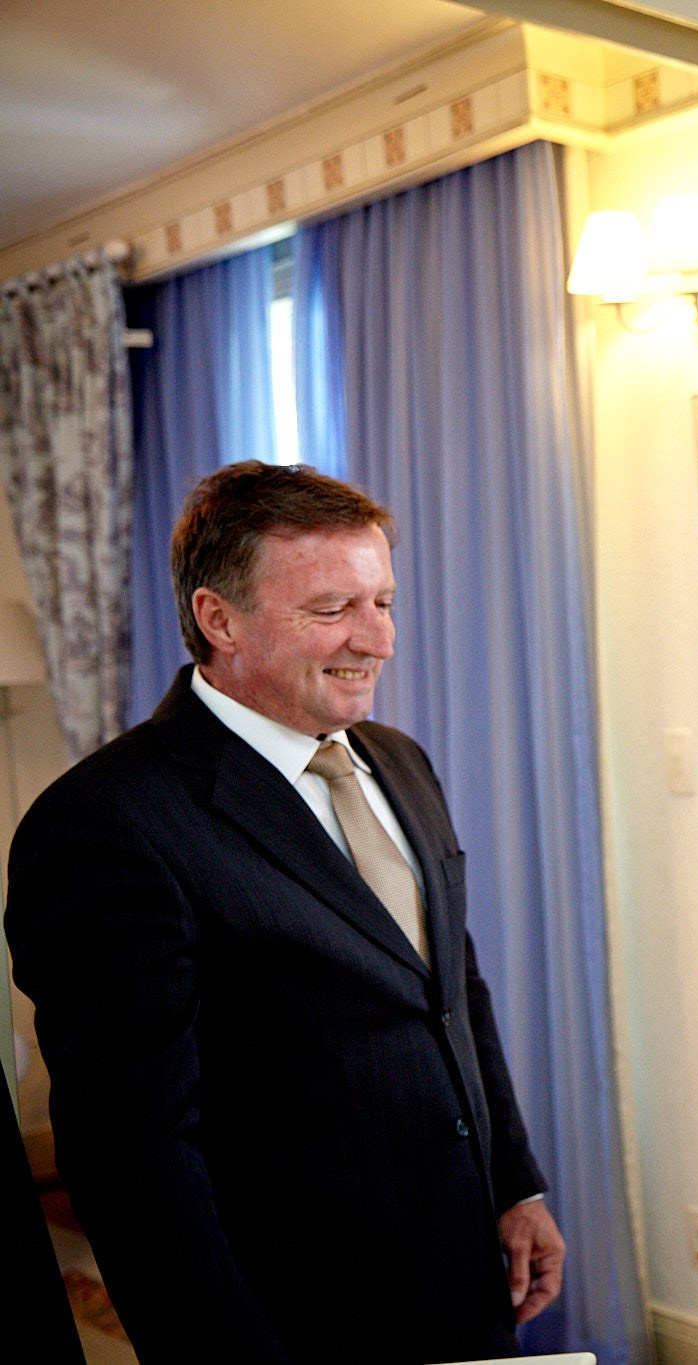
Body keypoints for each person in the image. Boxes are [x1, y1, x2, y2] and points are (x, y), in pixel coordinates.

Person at [5, 461, 565, 1364]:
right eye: (333, 609)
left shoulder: (398, 759)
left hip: (463, 1271)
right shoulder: (106, 823)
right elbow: (133, 1158)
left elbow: (453, 987)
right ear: (217, 618)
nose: (376, 639)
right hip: (287, 1317)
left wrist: (515, 1185)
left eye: (384, 601)